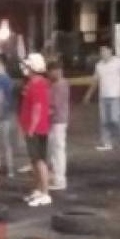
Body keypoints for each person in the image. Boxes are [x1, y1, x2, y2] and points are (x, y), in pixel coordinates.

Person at [83, 44, 120, 151]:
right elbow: (95, 81)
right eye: (101, 51)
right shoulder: (99, 65)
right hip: (103, 96)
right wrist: (89, 94)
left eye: (104, 51)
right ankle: (106, 142)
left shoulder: (119, 62)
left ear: (110, 51)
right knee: (104, 120)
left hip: (115, 96)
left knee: (115, 118)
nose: (102, 53)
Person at [20, 53, 52, 207]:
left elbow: (37, 108)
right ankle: (39, 189)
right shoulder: (35, 82)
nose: (25, 68)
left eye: (27, 65)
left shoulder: (37, 84)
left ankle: (45, 192)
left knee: (39, 161)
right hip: (34, 128)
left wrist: (31, 128)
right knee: (35, 161)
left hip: (36, 129)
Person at [0, 53, 18, 179]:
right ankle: (8, 168)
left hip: (0, 115)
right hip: (7, 114)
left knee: (0, 144)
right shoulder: (3, 77)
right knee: (5, 144)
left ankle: (1, 168)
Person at [48, 61, 70, 191]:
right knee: (55, 150)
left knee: (58, 151)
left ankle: (59, 179)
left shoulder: (60, 85)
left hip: (58, 121)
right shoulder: (56, 84)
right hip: (56, 120)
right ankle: (56, 176)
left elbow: (54, 105)